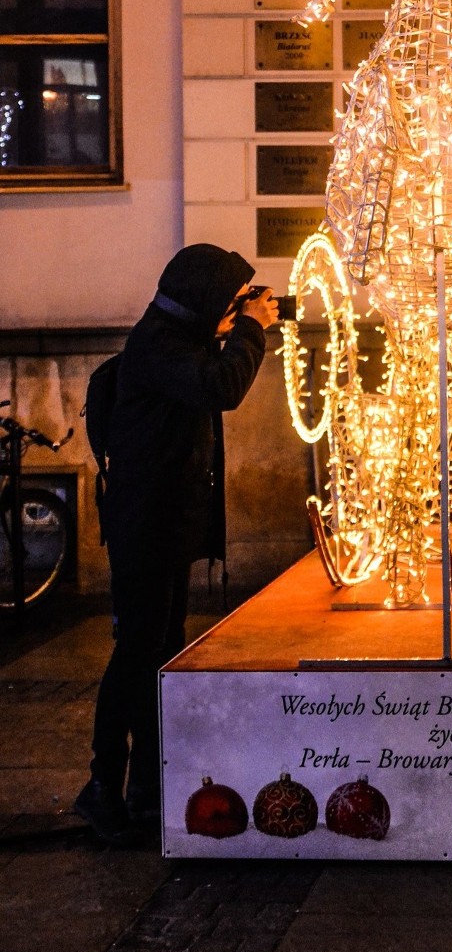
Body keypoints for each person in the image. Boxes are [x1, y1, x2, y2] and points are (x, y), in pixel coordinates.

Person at [74, 243, 278, 845]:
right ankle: (102, 786)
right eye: (230, 300)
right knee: (137, 655)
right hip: (145, 529)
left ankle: (145, 789)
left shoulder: (178, 339)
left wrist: (237, 321)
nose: (237, 310)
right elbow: (224, 387)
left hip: (166, 526)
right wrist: (250, 329)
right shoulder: (159, 345)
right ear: (201, 300)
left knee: (160, 657)